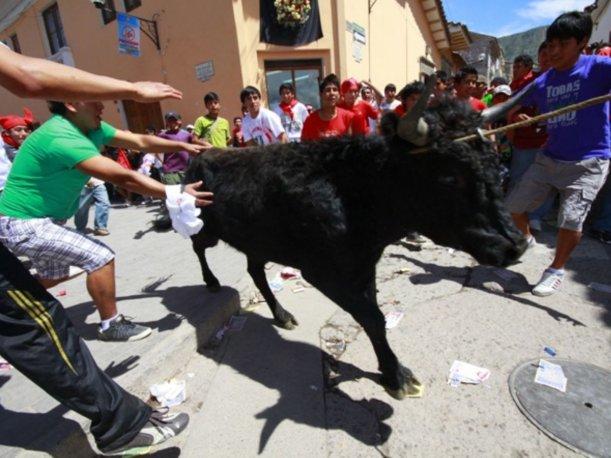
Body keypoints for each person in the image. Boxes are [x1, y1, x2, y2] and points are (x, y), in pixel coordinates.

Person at [0, 43, 199, 453]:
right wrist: (173, 193)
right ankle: (110, 324)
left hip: (39, 222)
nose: (106, 106)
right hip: (20, 224)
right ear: (72, 103)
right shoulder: (61, 134)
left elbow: (141, 140)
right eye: (97, 98)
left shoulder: (91, 128)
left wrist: (183, 147)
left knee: (53, 277)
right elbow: (120, 177)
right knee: (99, 255)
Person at [505, 11, 610, 296]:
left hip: (589, 160)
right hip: (550, 157)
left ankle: (556, 269)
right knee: (514, 206)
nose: (554, 52)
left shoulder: (600, 68)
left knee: (571, 220)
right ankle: (526, 239)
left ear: (582, 42)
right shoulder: (544, 81)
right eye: (550, 45)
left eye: (562, 44)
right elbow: (511, 103)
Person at [508, 45, 554, 233]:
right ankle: (511, 215)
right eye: (543, 55)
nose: (547, 59)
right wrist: (516, 120)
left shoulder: (571, 79)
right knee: (518, 178)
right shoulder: (529, 82)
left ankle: (536, 216)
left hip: (552, 142)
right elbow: (511, 110)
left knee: (548, 182)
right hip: (525, 141)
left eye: (550, 55)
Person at [301, 73, 354, 141]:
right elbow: (304, 146)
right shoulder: (310, 120)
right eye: (328, 90)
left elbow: (351, 146)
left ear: (339, 94)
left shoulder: (347, 117)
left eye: (335, 90)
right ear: (321, 94)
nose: (332, 93)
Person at [0, 108, 35, 192]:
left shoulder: (27, 147)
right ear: (7, 133)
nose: (23, 134)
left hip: (19, 191)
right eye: (18, 130)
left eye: (26, 130)